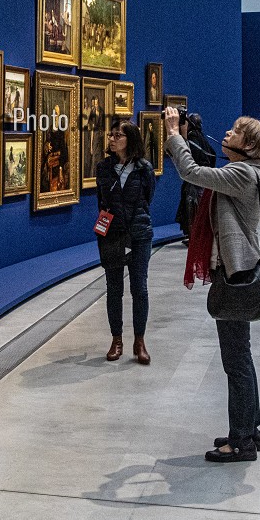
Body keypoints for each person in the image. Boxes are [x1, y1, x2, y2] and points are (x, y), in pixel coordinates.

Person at [164, 106, 260, 463]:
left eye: (235, 131)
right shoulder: (243, 170)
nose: (227, 133)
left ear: (251, 146)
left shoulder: (242, 173)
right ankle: (249, 429)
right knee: (242, 355)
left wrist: (174, 132)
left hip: (236, 274)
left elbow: (191, 171)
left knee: (235, 361)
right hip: (239, 270)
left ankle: (240, 441)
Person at [96, 122, 157, 365]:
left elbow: (148, 198)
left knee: (139, 289)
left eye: (117, 135)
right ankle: (116, 339)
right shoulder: (103, 167)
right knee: (114, 289)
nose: (112, 139)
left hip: (139, 234)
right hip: (111, 233)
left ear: (129, 139)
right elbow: (102, 201)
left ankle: (139, 341)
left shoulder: (144, 169)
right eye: (110, 134)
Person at [175, 111, 217, 239]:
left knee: (192, 208)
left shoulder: (192, 136)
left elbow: (188, 155)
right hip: (203, 178)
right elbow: (213, 153)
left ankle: (194, 234)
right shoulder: (201, 136)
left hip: (195, 180)